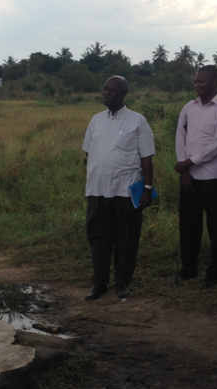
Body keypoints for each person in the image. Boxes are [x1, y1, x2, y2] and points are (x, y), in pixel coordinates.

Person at [82, 76, 156, 300]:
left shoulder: (137, 121)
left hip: (126, 191)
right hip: (98, 190)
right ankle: (99, 284)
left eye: (111, 90)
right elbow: (88, 152)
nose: (106, 93)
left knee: (127, 239)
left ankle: (122, 284)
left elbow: (147, 159)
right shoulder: (95, 120)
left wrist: (147, 188)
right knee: (99, 238)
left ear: (123, 94)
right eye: (104, 89)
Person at [174, 65, 217, 288]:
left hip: (213, 177)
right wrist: (184, 171)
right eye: (196, 81)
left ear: (215, 83)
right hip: (189, 177)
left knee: (216, 225)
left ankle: (215, 269)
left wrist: (189, 162)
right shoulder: (188, 108)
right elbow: (180, 138)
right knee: (189, 225)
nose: (197, 84)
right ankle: (189, 268)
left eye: (202, 81)